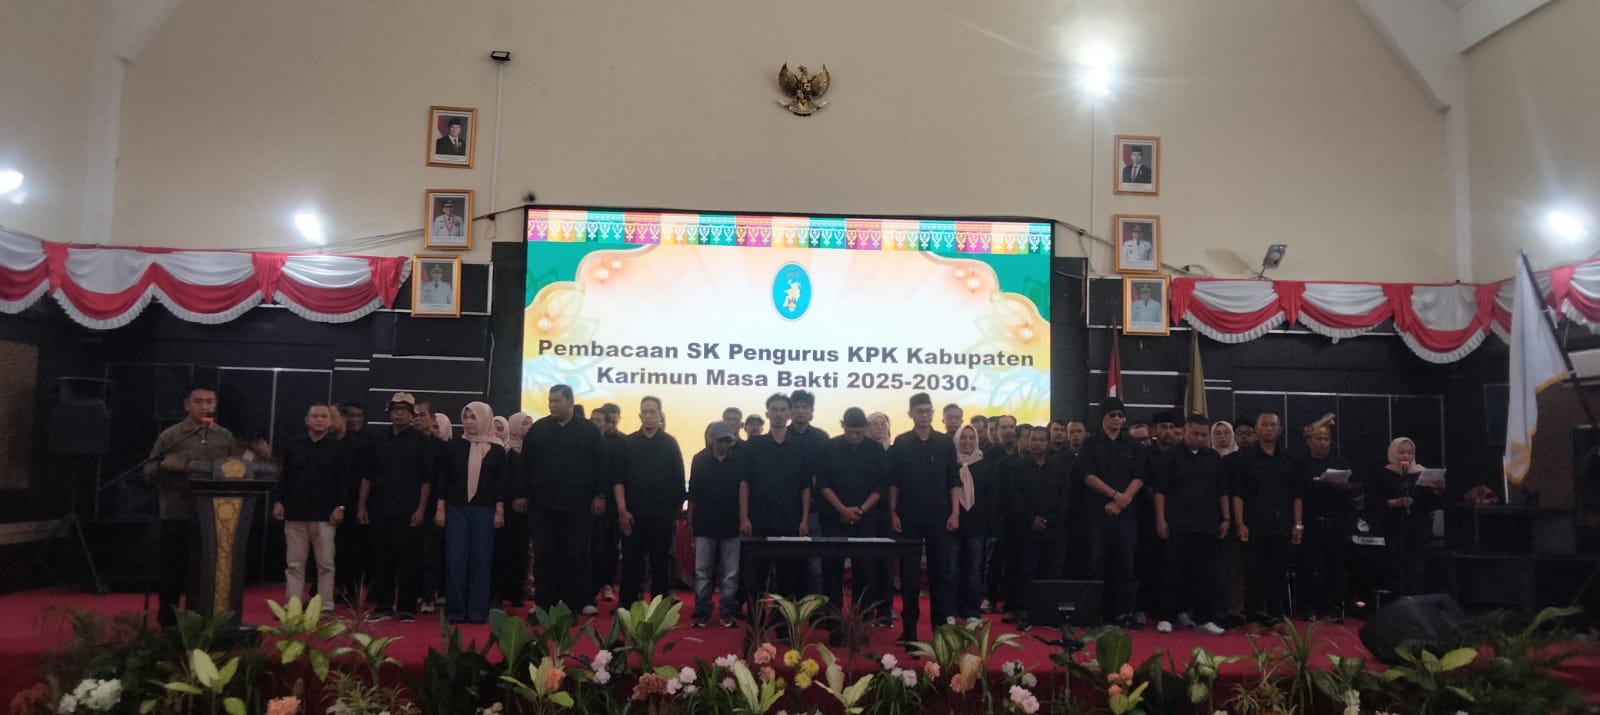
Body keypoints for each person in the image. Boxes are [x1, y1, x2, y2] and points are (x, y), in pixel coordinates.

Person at [144, 385, 263, 627]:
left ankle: (201, 621)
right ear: (187, 405)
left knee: (204, 572)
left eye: (209, 401)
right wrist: (165, 466)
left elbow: (238, 468)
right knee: (172, 572)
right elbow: (148, 471)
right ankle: (169, 622)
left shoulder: (224, 437)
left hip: (213, 519)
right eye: (198, 401)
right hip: (176, 513)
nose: (205, 406)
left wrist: (256, 456)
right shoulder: (172, 435)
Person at [524, 385, 609, 613]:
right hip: (543, 506)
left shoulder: (589, 430)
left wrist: (600, 494)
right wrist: (522, 494)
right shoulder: (539, 429)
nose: (552, 405)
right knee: (544, 555)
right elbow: (526, 464)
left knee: (575, 554)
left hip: (577, 506)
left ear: (570, 402)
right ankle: (543, 603)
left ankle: (577, 602)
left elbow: (601, 465)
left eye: (557, 401)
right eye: (550, 400)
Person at [888, 392, 961, 644]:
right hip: (908, 517)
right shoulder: (901, 442)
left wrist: (955, 512)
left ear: (932, 413)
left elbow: (954, 481)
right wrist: (893, 511)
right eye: (919, 411)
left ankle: (940, 631)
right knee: (909, 579)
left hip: (940, 517)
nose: (924, 415)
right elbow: (894, 482)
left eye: (928, 410)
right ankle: (909, 631)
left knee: (940, 575)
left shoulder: (945, 443)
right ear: (910, 413)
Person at [360, 392, 435, 622]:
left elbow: (426, 479)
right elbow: (367, 475)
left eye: (403, 410)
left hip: (408, 509)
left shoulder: (421, 441)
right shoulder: (377, 439)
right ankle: (383, 605)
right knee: (382, 558)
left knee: (408, 560)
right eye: (395, 410)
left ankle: (406, 607)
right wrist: (361, 505)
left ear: (412, 415)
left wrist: (421, 509)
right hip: (379, 507)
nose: (398, 414)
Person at [1152, 416, 1229, 635]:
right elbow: (1160, 491)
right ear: (1185, 431)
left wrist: (1226, 518)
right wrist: (1160, 519)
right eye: (1195, 434)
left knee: (1206, 573)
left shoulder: (1213, 457)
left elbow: (1222, 490)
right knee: (1172, 571)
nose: (1200, 438)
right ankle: (1166, 616)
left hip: (1207, 524)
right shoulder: (1170, 457)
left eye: (1204, 435)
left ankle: (1204, 618)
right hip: (1177, 523)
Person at [434, 402, 509, 624]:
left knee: (481, 561)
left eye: (473, 417)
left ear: (484, 419)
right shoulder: (453, 446)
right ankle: (456, 611)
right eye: (465, 417)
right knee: (455, 560)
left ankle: (477, 611)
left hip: (484, 511)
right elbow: (443, 479)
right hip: (456, 509)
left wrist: (499, 512)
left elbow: (500, 485)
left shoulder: (497, 450)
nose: (468, 421)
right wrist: (440, 509)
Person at [271, 403, 351, 612]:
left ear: (330, 422)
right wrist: (278, 501)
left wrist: (341, 507)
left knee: (325, 564)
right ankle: (292, 605)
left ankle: (325, 606)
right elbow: (283, 476)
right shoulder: (293, 445)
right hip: (295, 512)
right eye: (315, 416)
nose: (319, 420)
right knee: (294, 564)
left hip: (325, 514)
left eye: (324, 416)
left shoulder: (339, 448)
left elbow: (344, 481)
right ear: (307, 420)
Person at [1075, 397, 1146, 629]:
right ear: (1103, 417)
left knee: (1127, 565)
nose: (1116, 419)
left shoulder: (1132, 444)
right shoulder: (1091, 443)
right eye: (1112, 415)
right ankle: (1094, 613)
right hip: (1098, 513)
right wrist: (1114, 495)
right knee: (1095, 564)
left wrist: (1123, 500)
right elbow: (1087, 475)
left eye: (1120, 415)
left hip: (1126, 513)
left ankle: (1125, 613)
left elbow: (1140, 476)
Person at [740, 393, 813, 608]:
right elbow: (745, 483)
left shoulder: (801, 447)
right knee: (756, 575)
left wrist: (805, 519)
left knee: (787, 575)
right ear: (767, 414)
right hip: (759, 519)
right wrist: (744, 517)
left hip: (790, 520)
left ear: (789, 414)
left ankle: (784, 622)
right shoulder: (754, 445)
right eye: (775, 410)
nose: (779, 414)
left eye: (783, 410)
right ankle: (755, 622)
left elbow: (805, 487)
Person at [817, 407, 889, 621]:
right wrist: (842, 509)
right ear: (842, 425)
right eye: (850, 432)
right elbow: (823, 484)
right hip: (834, 516)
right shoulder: (828, 447)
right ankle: (832, 617)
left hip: (866, 517)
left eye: (859, 432)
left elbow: (880, 486)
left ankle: (861, 618)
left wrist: (861, 510)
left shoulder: (876, 450)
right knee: (831, 567)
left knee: (865, 568)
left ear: (865, 428)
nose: (855, 436)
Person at [1230, 413, 1302, 623]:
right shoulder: (1245, 458)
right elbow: (1238, 494)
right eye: (1265, 425)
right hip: (1254, 524)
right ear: (1257, 430)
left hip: (1282, 524)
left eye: (1273, 425)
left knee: (1278, 571)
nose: (1269, 429)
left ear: (1279, 429)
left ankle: (1276, 616)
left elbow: (1297, 495)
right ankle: (1254, 617)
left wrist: (1298, 524)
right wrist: (1240, 522)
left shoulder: (1289, 459)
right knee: (1253, 571)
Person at [615, 396, 685, 607]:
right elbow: (618, 480)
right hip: (632, 515)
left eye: (652, 412)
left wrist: (673, 511)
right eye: (644, 412)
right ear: (639, 415)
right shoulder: (628, 443)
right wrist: (622, 510)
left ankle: (659, 607)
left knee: (660, 562)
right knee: (631, 562)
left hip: (661, 516)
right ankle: (627, 606)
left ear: (659, 415)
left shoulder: (670, 443)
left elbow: (678, 480)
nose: (648, 416)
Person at [1000, 425, 1064, 630]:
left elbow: (1064, 497)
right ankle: (1024, 611)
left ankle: (1047, 612)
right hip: (1025, 529)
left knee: (1049, 571)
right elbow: (1014, 497)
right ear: (1028, 442)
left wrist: (1049, 520)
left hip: (1052, 530)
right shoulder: (1018, 468)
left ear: (1048, 443)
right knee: (1025, 572)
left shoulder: (1058, 468)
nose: (1037, 443)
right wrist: (1031, 519)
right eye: (1034, 439)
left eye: (1042, 440)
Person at [1296, 415, 1358, 621]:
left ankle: (1337, 607)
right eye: (1318, 439)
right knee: (1307, 566)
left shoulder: (1340, 462)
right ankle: (1307, 607)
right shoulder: (1300, 463)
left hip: (1335, 522)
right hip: (1310, 521)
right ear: (1309, 441)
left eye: (1326, 439)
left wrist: (1345, 486)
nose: (1323, 443)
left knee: (1336, 566)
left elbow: (1354, 491)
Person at [1362, 437, 1442, 597]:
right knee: (1397, 567)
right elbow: (1372, 501)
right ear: (1393, 453)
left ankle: (1416, 602)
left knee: (1418, 568)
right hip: (1394, 527)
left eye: (1409, 453)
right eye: (1401, 452)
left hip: (1419, 527)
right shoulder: (1384, 474)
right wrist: (1394, 503)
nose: (1406, 456)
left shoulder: (1421, 472)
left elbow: (1432, 503)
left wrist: (1437, 491)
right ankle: (1398, 603)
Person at [688, 421, 747, 628]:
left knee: (731, 574)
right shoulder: (700, 460)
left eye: (727, 441)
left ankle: (727, 612)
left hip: (731, 524)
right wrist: (690, 522)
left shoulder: (739, 461)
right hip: (705, 523)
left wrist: (743, 519)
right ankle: (702, 611)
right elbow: (693, 493)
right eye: (720, 440)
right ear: (711, 439)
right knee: (702, 572)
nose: (723, 444)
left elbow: (743, 492)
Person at [786, 390, 829, 595]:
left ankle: (814, 607)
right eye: (796, 407)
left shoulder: (822, 438)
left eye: (805, 407)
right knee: (787, 564)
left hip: (816, 508)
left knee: (815, 565)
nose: (800, 411)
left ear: (812, 411)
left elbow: (828, 472)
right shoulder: (782, 436)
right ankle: (785, 608)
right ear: (790, 411)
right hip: (786, 509)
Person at [334, 402, 374, 605]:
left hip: (358, 502)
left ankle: (353, 591)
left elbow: (368, 475)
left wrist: (362, 505)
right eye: (351, 415)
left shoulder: (368, 441)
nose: (356, 420)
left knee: (355, 551)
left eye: (360, 416)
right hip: (333, 503)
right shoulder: (332, 441)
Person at [495, 411, 532, 608]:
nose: (528, 427)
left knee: (519, 551)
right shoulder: (499, 451)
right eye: (524, 423)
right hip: (500, 509)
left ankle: (516, 592)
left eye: (530, 423)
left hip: (520, 511)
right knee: (499, 551)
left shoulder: (530, 449)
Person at [590, 403, 625, 607]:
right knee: (590, 547)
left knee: (610, 545)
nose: (596, 424)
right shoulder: (585, 441)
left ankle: (607, 584)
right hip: (587, 503)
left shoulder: (621, 443)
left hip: (611, 503)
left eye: (599, 421)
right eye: (593, 420)